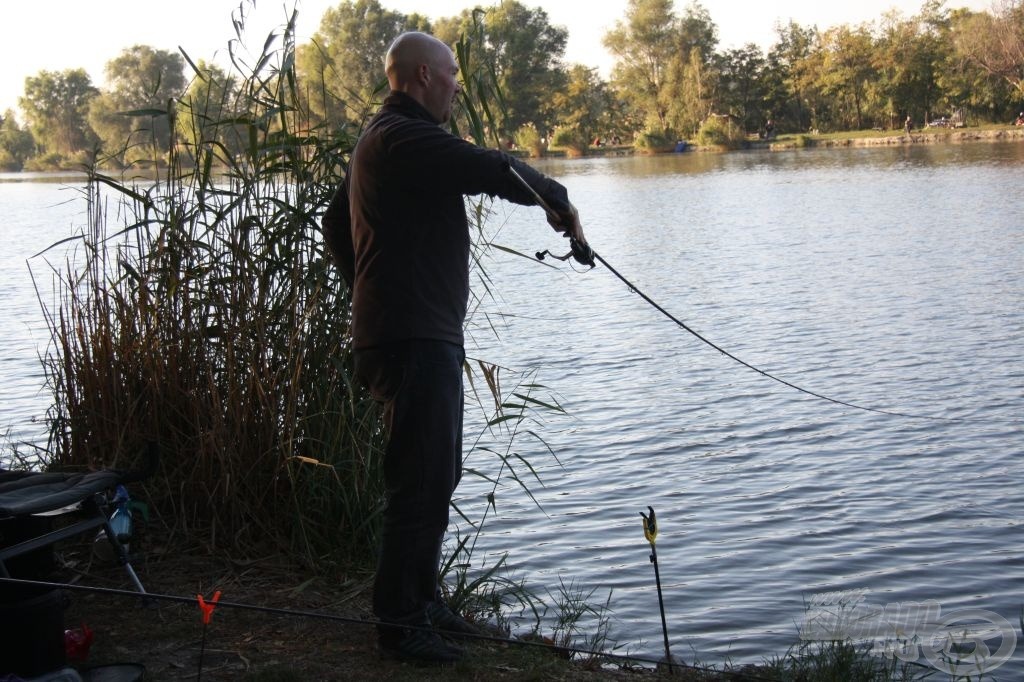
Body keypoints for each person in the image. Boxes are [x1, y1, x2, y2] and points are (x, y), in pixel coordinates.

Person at [320, 31, 585, 664]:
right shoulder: (402, 137)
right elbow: (485, 167)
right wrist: (554, 195)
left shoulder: (387, 143)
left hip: (408, 329)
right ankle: (400, 625)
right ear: (419, 76)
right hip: (413, 336)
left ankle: (423, 600)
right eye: (451, 76)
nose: (457, 86)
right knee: (419, 478)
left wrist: (369, 292)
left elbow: (336, 223)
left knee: (435, 470)